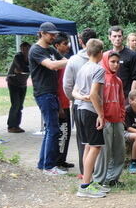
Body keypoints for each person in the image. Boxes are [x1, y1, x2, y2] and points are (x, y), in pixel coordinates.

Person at [28, 22, 69, 175]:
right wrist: (72, 60)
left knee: (50, 130)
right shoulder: (36, 50)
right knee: (53, 130)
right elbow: (52, 65)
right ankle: (49, 166)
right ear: (42, 33)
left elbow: (62, 61)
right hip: (44, 94)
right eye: (51, 34)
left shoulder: (51, 50)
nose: (54, 37)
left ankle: (43, 164)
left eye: (54, 34)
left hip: (52, 94)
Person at [70, 38, 108, 198]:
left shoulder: (83, 67)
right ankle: (85, 186)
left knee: (87, 145)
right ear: (100, 53)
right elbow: (94, 94)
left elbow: (74, 92)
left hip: (79, 109)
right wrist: (100, 114)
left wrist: (82, 97)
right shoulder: (98, 69)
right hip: (91, 112)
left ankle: (88, 181)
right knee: (95, 147)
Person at [63, 28, 98, 177]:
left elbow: (67, 85)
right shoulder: (102, 60)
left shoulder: (73, 60)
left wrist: (74, 99)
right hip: (97, 106)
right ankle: (97, 171)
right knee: (97, 141)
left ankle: (85, 172)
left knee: (83, 140)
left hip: (79, 104)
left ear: (81, 42)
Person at [93, 51, 126, 187]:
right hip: (105, 120)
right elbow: (95, 98)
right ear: (106, 61)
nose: (115, 64)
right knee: (104, 152)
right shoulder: (101, 78)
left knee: (120, 150)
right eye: (112, 61)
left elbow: (122, 100)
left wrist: (122, 117)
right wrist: (101, 116)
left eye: (117, 62)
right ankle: (99, 180)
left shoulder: (118, 80)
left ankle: (113, 178)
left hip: (117, 120)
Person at [53, 34, 74, 169]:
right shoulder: (55, 63)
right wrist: (59, 106)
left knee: (66, 133)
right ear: (57, 45)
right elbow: (55, 86)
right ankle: (56, 160)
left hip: (66, 103)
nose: (67, 46)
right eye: (65, 43)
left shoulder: (64, 60)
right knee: (61, 132)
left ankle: (62, 159)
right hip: (59, 104)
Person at [109, 25, 136, 99]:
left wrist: (131, 97)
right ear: (109, 37)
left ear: (123, 38)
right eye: (114, 36)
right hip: (110, 95)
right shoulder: (107, 55)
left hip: (126, 96)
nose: (117, 39)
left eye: (119, 36)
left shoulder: (132, 55)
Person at [6, 42, 30, 133]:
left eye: (27, 48)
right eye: (23, 49)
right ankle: (11, 126)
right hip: (13, 83)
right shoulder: (18, 56)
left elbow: (30, 68)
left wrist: (25, 69)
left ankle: (17, 125)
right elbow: (23, 67)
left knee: (20, 105)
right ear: (21, 49)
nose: (25, 50)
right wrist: (25, 68)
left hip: (23, 83)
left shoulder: (31, 57)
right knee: (15, 104)